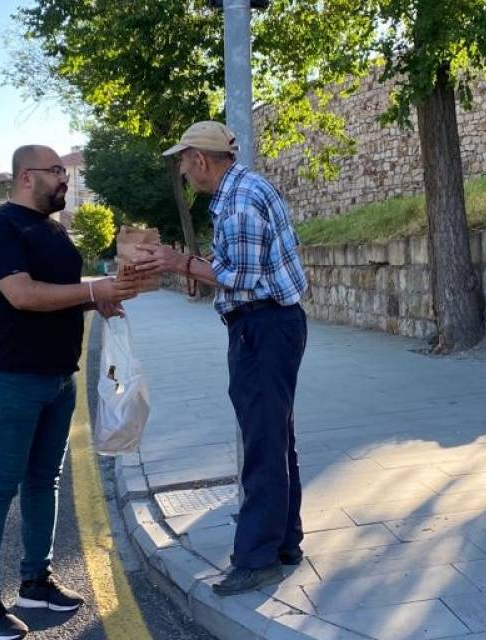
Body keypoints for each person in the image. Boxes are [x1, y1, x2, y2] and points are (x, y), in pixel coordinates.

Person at [0, 144, 134, 640]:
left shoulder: (52, 228)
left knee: (44, 482)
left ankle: (36, 582)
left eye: (63, 170)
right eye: (56, 171)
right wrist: (92, 292)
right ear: (26, 177)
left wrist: (93, 302)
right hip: (11, 378)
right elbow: (22, 294)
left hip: (58, 376)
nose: (64, 178)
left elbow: (60, 291)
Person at [132, 121, 308, 596]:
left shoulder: (241, 202)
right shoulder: (240, 192)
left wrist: (179, 262)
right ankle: (284, 542)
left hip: (263, 326)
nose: (184, 172)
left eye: (185, 161)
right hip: (268, 325)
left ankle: (258, 559)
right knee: (274, 437)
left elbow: (242, 277)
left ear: (202, 160)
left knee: (263, 443)